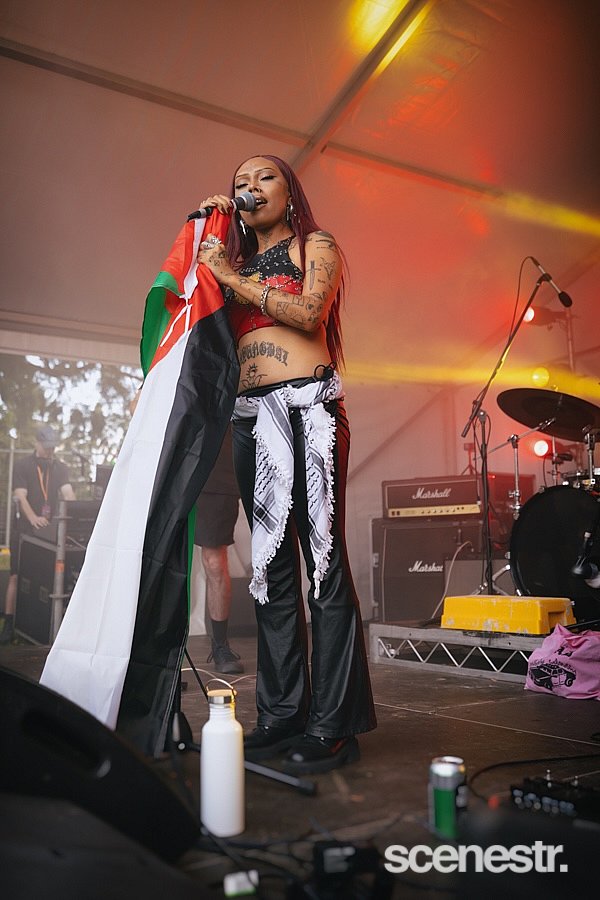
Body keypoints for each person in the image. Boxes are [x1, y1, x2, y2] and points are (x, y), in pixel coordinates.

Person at [196, 154, 377, 775]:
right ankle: (280, 715)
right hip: (250, 420)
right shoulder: (231, 262)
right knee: (271, 571)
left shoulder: (314, 245)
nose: (249, 188)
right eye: (239, 183)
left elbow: (308, 312)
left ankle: (333, 725)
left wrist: (230, 275)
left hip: (308, 412)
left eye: (263, 178)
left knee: (321, 564)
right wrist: (212, 244)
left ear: (289, 191)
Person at [1, 425, 76, 644]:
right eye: (46, 447)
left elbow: (68, 493)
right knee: (16, 576)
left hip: (49, 533)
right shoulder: (23, 465)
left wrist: (74, 512)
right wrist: (33, 517)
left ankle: (43, 626)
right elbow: (20, 496)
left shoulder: (60, 468)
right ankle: (9, 623)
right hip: (25, 530)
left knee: (47, 579)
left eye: (53, 447)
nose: (50, 451)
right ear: (37, 443)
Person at [194, 425, 244, 675]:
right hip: (177, 466)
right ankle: (162, 654)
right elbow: (136, 408)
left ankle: (220, 644)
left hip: (219, 466)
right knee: (165, 563)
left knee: (215, 563)